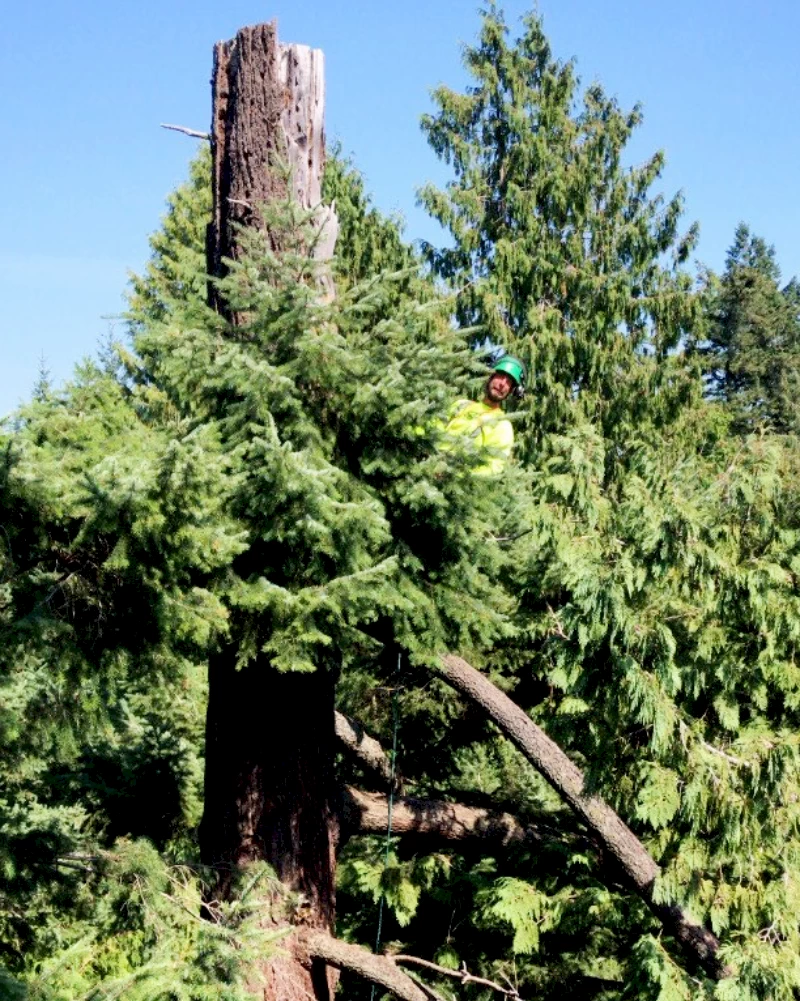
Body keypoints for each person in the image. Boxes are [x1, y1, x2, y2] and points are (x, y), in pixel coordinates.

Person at [443, 355, 525, 476]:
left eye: (509, 382)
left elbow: (493, 467)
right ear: (491, 376)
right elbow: (433, 427)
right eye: (500, 376)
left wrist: (456, 475)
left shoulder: (502, 425)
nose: (502, 384)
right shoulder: (461, 405)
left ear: (512, 391)